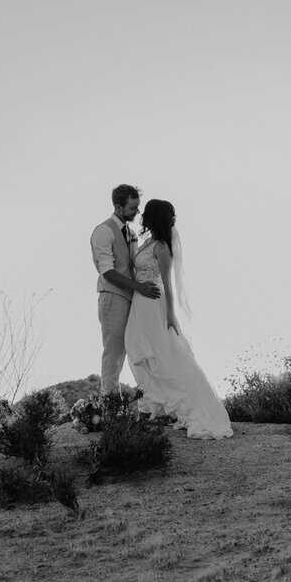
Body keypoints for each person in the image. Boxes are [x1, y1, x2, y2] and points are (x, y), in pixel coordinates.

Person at [123, 199, 233, 439]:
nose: (142, 216)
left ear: (153, 217)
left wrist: (171, 315)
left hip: (154, 303)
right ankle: (154, 407)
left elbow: (167, 283)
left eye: (147, 213)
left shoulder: (162, 247)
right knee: (136, 348)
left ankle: (181, 407)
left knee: (162, 354)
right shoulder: (147, 242)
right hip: (140, 303)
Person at [90, 184, 159, 395]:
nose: (137, 213)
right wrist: (139, 287)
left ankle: (148, 401)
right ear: (119, 207)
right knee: (114, 353)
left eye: (138, 208)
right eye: (132, 208)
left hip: (135, 299)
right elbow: (107, 272)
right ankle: (110, 406)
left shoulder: (131, 233)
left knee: (140, 350)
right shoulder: (103, 231)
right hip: (113, 297)